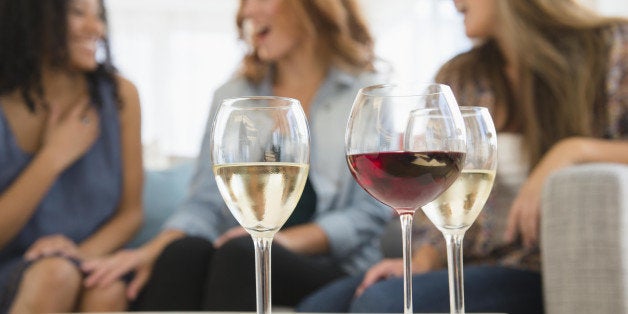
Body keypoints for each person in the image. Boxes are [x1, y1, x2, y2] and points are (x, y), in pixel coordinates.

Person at [296, 0, 628, 313]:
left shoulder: (612, 47)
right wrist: (421, 263)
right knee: (318, 307)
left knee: (383, 305)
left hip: (541, 268)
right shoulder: (461, 76)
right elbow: (431, 182)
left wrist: (572, 151)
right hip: (464, 262)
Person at [82, 0, 392, 311]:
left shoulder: (363, 94)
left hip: (330, 265)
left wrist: (276, 241)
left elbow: (370, 212)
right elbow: (204, 202)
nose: (246, 13)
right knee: (183, 253)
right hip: (239, 249)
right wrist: (152, 251)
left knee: (242, 255)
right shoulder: (232, 96)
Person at [0, 0, 143, 313]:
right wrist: (52, 157)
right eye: (78, 14)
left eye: (99, 16)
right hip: (12, 273)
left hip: (88, 257)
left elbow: (130, 213)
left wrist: (74, 255)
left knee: (105, 289)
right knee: (55, 276)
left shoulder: (121, 97)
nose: (97, 28)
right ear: (33, 19)